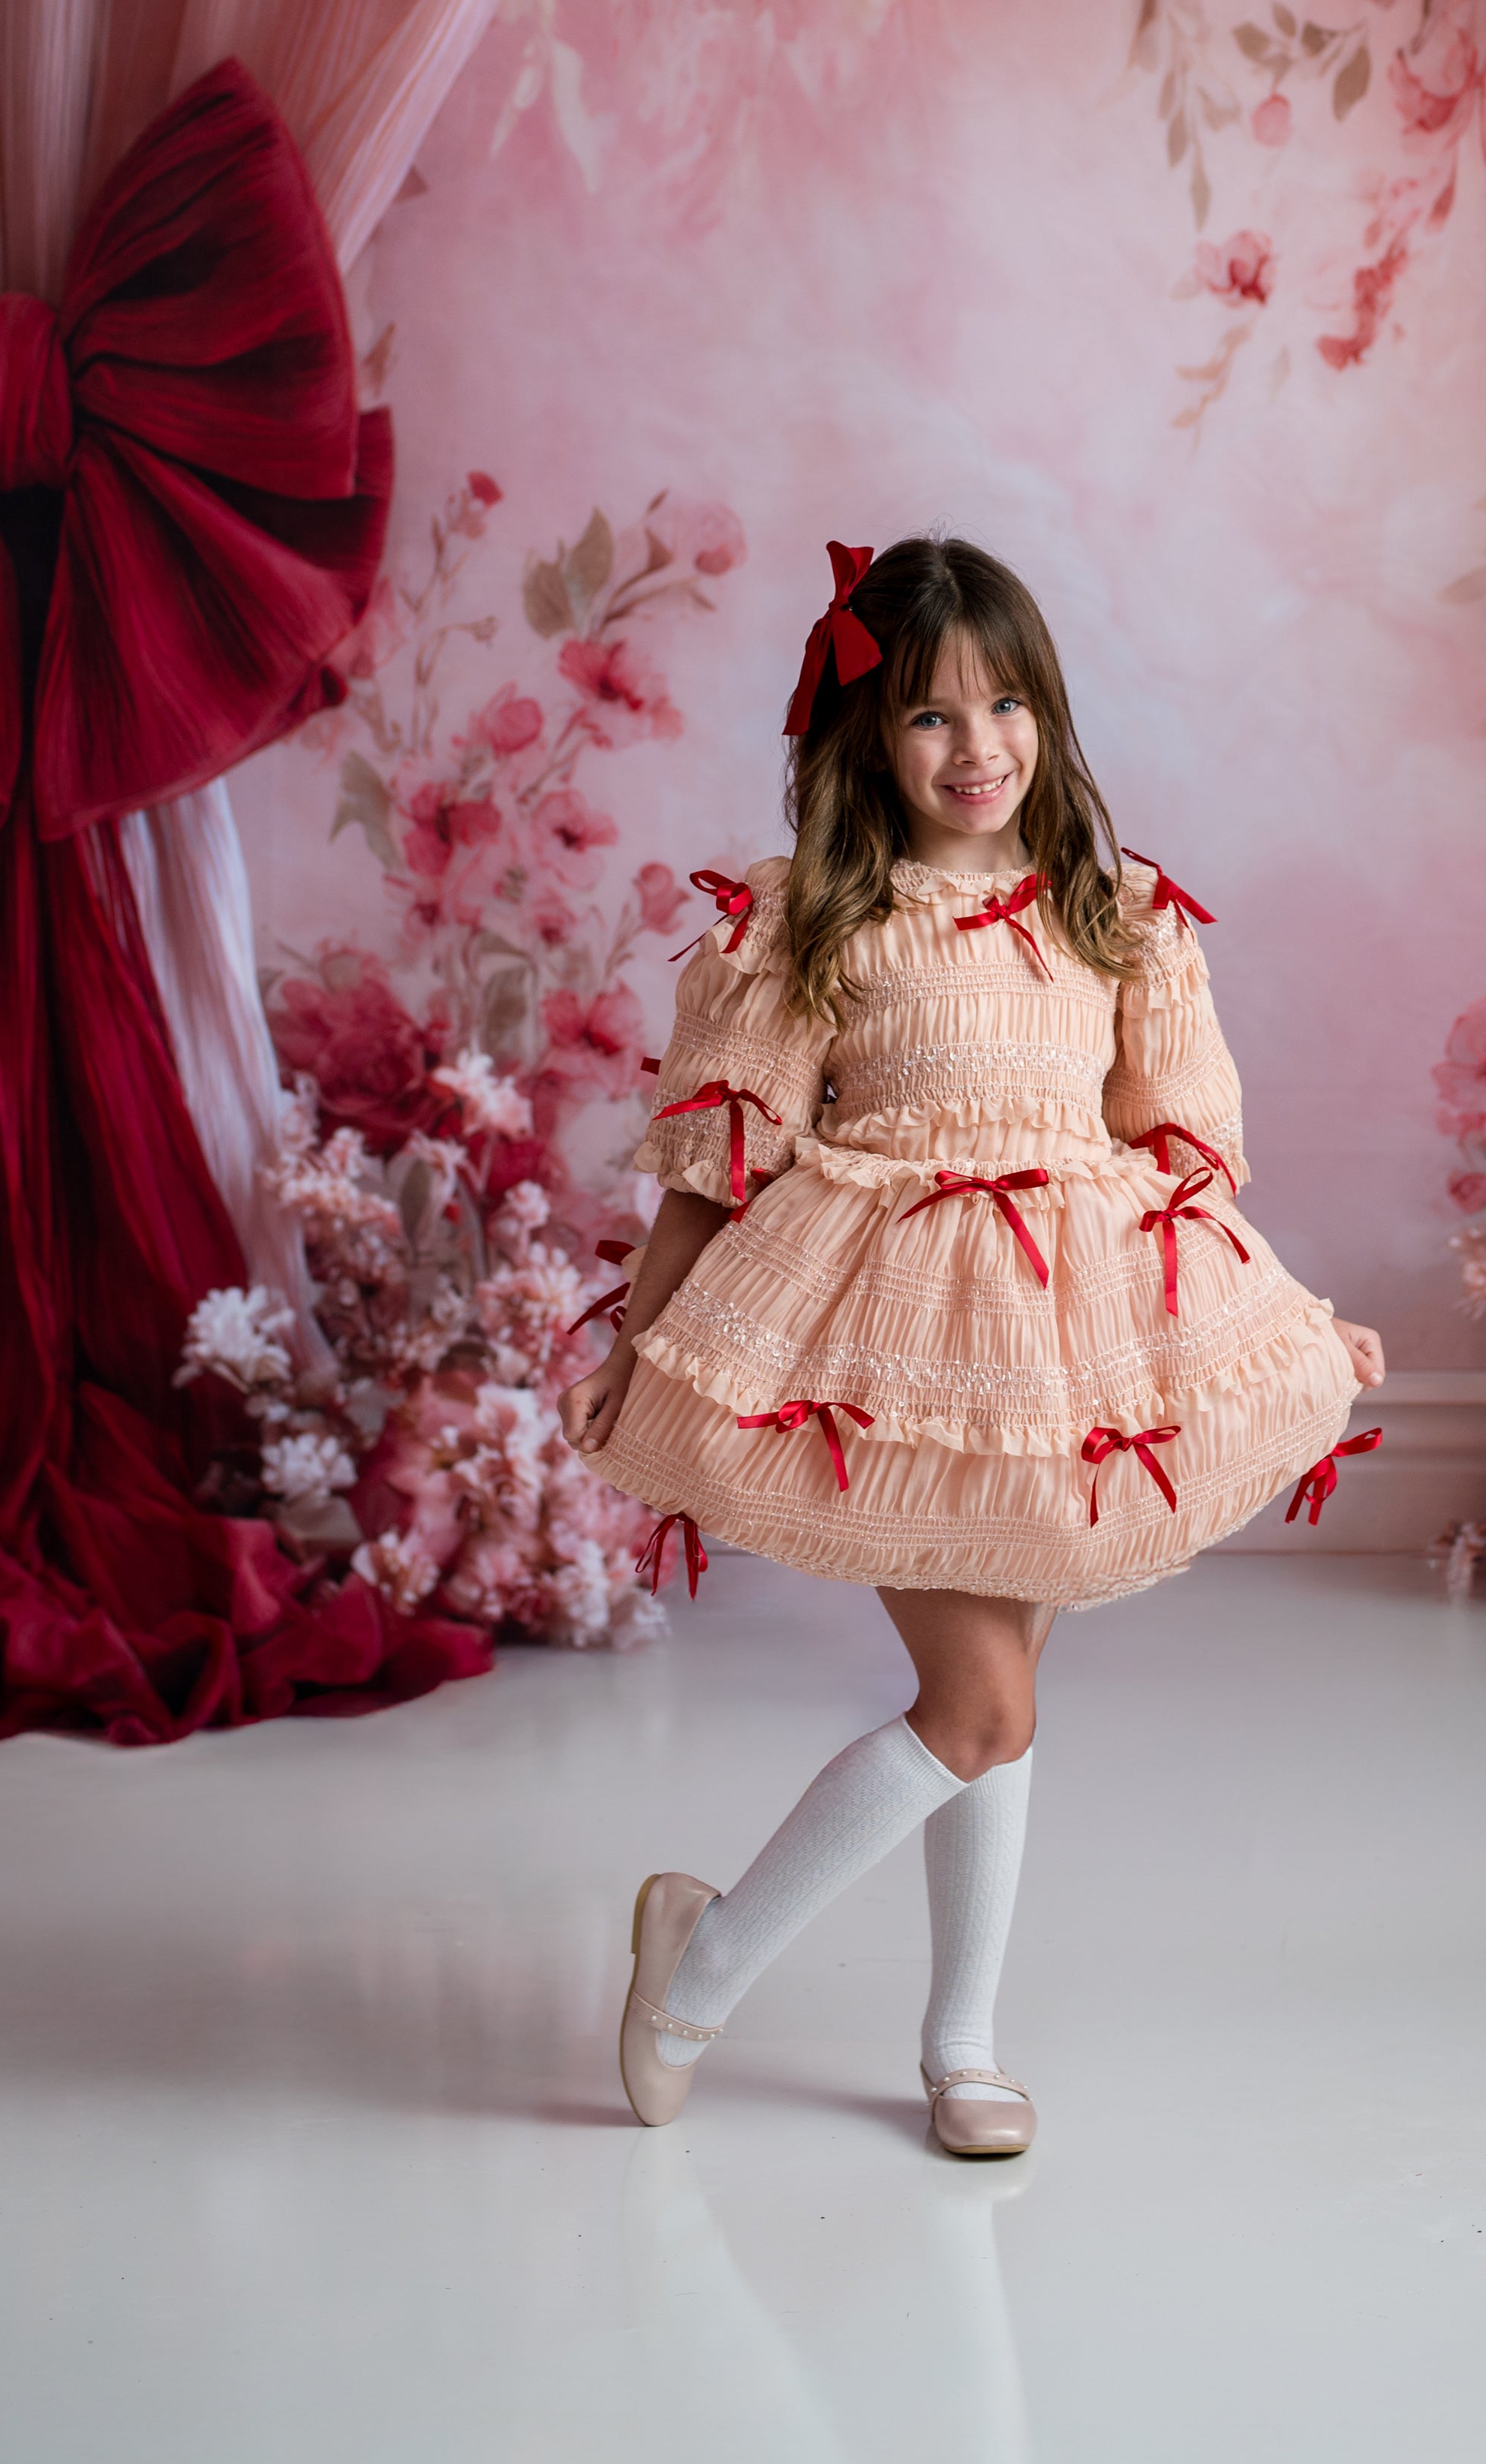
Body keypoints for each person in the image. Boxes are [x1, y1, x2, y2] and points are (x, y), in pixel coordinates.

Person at [564, 536, 1385, 2156]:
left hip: (1059, 1365)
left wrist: (1285, 1318)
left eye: (1006, 703)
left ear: (1050, 715)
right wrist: (646, 1333)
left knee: (1001, 1695)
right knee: (982, 1704)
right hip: (892, 1348)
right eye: (931, 715)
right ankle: (700, 1959)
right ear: (863, 735)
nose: (976, 745)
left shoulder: (1116, 911)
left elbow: (1171, 1169)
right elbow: (718, 1153)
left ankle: (960, 2042)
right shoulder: (808, 922)